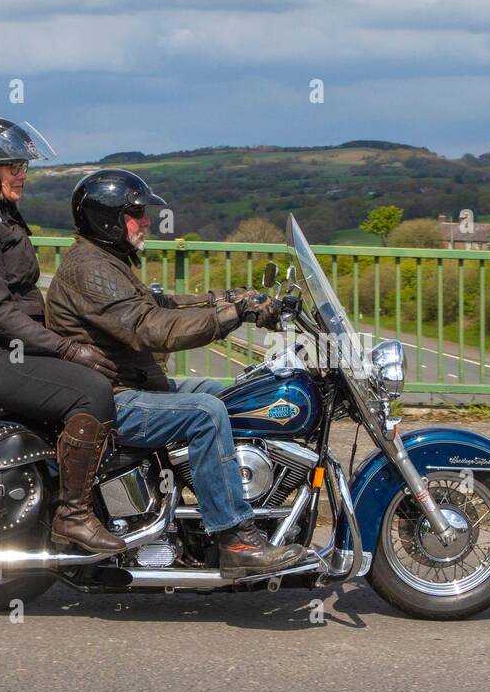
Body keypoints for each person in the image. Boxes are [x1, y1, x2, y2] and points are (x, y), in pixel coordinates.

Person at [45, 169, 304, 578]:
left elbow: (164, 305)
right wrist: (232, 315)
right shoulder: (89, 269)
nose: (146, 220)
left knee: (230, 395)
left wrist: (236, 299)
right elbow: (152, 327)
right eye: (135, 212)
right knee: (204, 412)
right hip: (112, 398)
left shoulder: (108, 261)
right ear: (106, 218)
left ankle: (213, 503)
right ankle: (233, 536)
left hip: (134, 384)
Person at [0, 118, 124, 555]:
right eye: (11, 165)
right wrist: (68, 348)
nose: (22, 173)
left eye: (21, 164)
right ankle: (72, 516)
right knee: (91, 392)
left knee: (110, 371)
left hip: (3, 349)